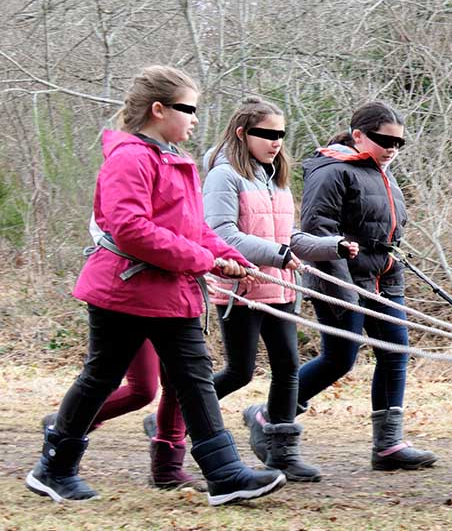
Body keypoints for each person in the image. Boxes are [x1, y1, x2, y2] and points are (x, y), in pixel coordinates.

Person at [25, 65, 286, 506]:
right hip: (124, 292)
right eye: (188, 109)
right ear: (159, 109)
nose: (195, 119)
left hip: (169, 292)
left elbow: (193, 228)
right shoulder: (130, 157)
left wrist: (234, 259)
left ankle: (224, 475)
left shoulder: (174, 158)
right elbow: (131, 229)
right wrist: (205, 260)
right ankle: (53, 468)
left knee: (194, 379)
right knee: (101, 378)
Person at [248, 101, 437, 473]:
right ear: (358, 135)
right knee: (339, 359)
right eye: (385, 140)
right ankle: (269, 416)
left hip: (385, 278)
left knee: (395, 352)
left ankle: (388, 445)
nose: (393, 149)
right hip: (342, 280)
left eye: (399, 143)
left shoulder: (383, 172)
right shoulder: (332, 171)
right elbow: (318, 230)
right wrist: (343, 289)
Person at [199, 97, 359, 482]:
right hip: (241, 289)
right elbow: (222, 235)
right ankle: (171, 421)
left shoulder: (275, 178)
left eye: (281, 134)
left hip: (282, 289)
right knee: (239, 372)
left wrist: (332, 246)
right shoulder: (224, 176)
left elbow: (288, 237)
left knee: (287, 367)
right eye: (267, 134)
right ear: (242, 133)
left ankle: (282, 453)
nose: (276, 142)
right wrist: (277, 254)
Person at [40, 217, 203, 491]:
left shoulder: (186, 192)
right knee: (142, 390)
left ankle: (167, 467)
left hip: (177, 290)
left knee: (180, 381)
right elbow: (122, 233)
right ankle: (64, 427)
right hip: (131, 294)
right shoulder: (122, 194)